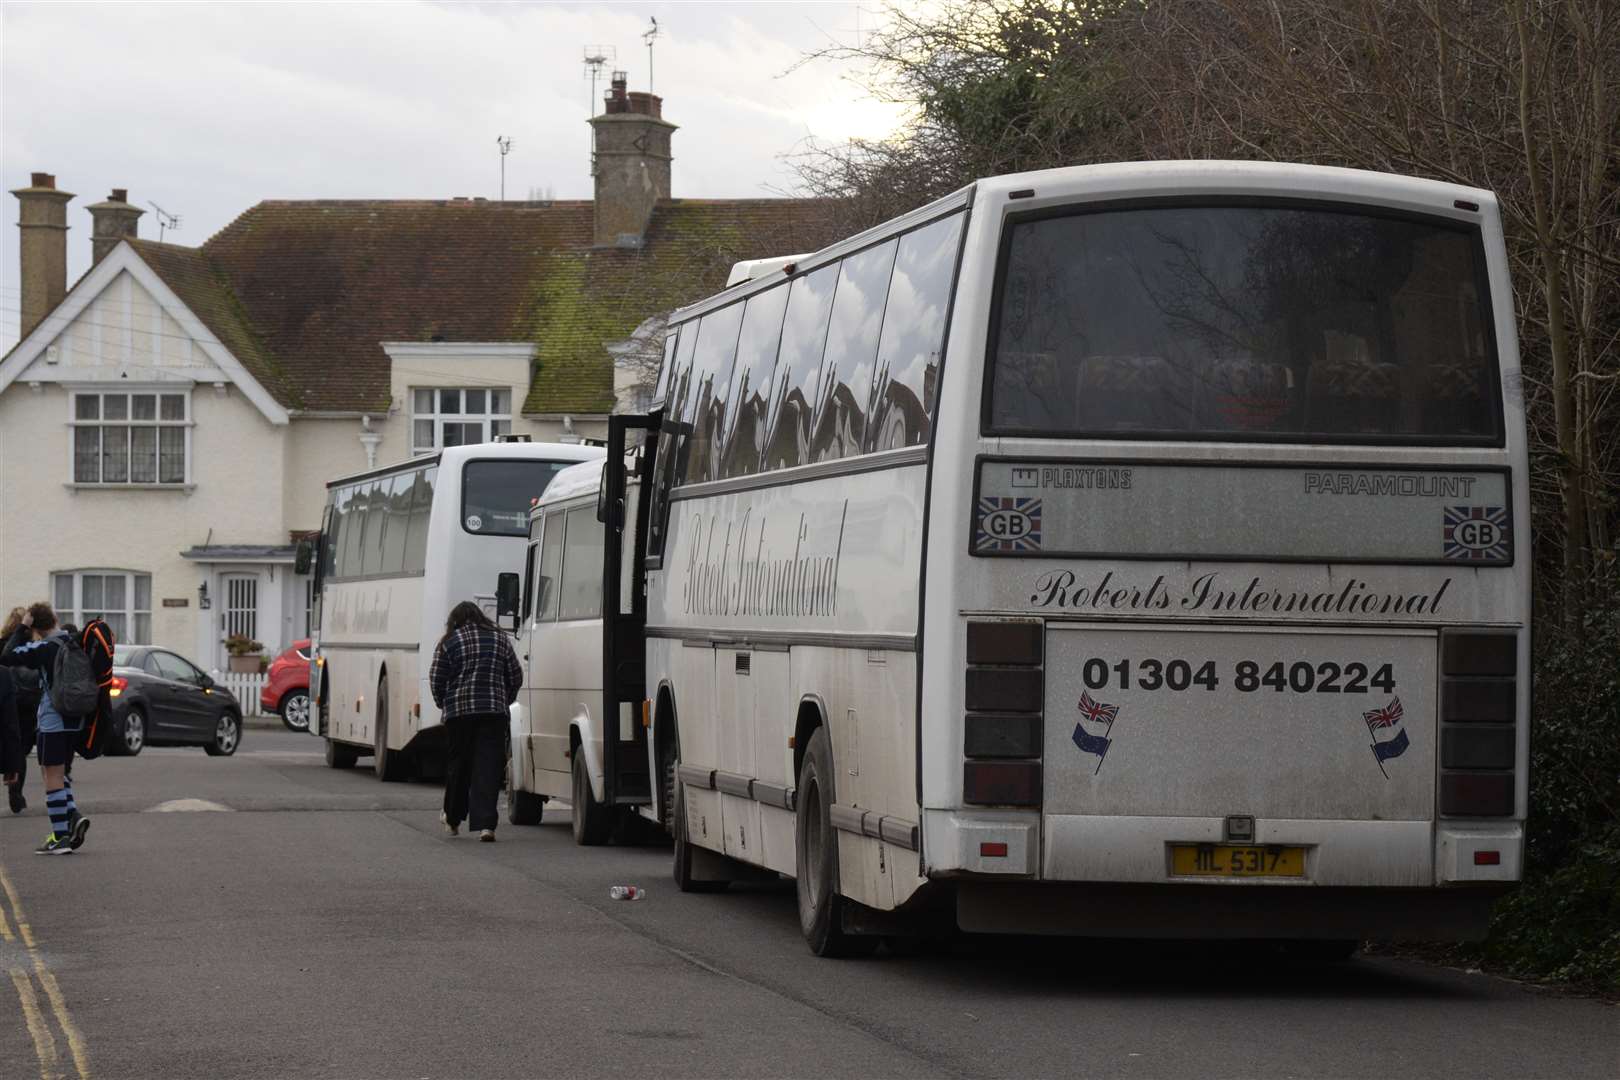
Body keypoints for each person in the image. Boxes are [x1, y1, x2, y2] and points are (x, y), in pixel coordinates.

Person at [0, 603, 91, 854]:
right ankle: (72, 816)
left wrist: (22, 626)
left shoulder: (45, 648)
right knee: (57, 772)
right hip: (76, 719)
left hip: (53, 719)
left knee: (51, 775)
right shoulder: (75, 642)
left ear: (35, 626)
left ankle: (60, 837)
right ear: (56, 618)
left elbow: (7, 655)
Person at [429, 601, 522, 842]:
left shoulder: (450, 641)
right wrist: (504, 699)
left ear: (455, 620)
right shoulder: (500, 639)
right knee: (488, 767)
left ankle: (452, 819)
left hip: (459, 714)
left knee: (458, 765)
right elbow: (515, 674)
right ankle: (485, 826)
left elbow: (437, 677)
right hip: (493, 713)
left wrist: (443, 702)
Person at [1, 605, 42, 813]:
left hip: (11, 701)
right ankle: (15, 794)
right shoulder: (31, 647)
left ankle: (15, 793)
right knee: (19, 750)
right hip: (26, 704)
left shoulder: (3, 645)